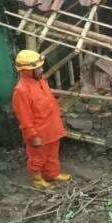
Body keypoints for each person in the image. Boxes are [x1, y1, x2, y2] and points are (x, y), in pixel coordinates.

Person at [12, 49, 71, 189]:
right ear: (27, 71)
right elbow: (24, 117)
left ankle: (52, 174)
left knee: (52, 154)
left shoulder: (41, 81)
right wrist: (32, 135)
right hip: (38, 132)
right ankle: (37, 181)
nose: (41, 70)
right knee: (37, 157)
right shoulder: (21, 91)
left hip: (51, 126)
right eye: (38, 68)